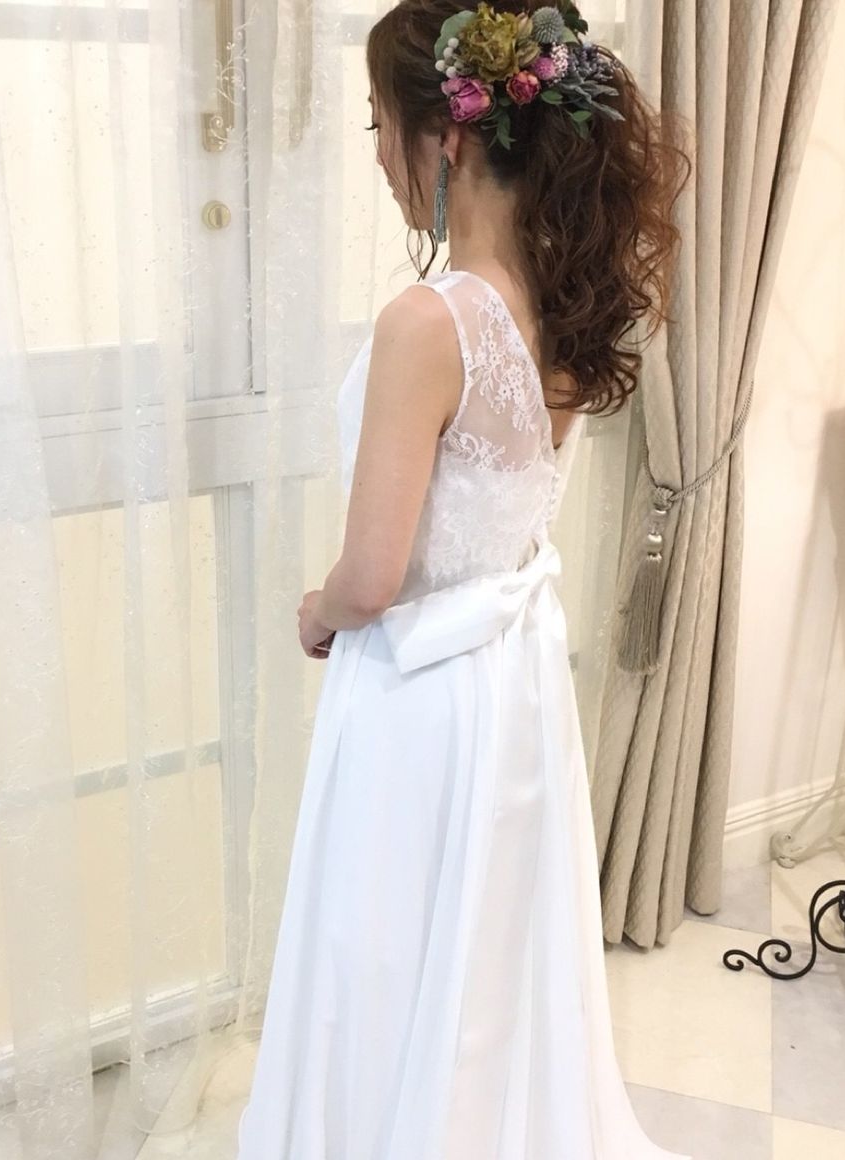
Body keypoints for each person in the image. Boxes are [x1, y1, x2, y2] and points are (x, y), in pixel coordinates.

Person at [237, 2, 690, 1155]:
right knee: (490, 962)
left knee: (386, 956)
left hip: (419, 701)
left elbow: (372, 574)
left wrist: (314, 610)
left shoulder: (426, 322)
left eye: (376, 125)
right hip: (514, 690)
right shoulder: (564, 299)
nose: (374, 154)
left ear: (445, 138)